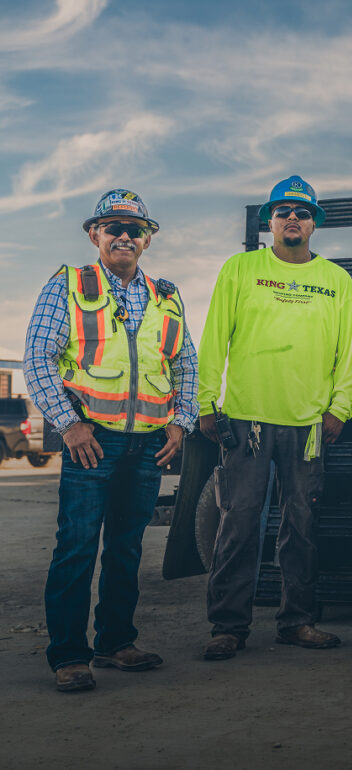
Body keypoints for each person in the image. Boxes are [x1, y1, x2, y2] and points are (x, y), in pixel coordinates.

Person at [24, 189, 198, 692]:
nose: (124, 235)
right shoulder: (69, 286)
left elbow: (185, 362)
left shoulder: (166, 294)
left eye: (134, 228)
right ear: (94, 234)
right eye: (113, 227)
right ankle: (69, 655)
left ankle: (115, 641)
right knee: (76, 546)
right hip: (90, 442)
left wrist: (180, 420)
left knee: (125, 549)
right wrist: (67, 423)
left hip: (147, 444)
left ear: (147, 238)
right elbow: (38, 358)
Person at [198, 176, 352, 660]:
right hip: (246, 421)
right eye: (283, 211)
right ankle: (228, 626)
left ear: (315, 223)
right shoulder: (241, 269)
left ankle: (297, 621)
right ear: (268, 221)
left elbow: (347, 354)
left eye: (302, 212)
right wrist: (208, 401)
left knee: (302, 526)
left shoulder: (338, 281)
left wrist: (339, 408)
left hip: (308, 424)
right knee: (238, 524)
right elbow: (214, 339)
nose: (293, 219)